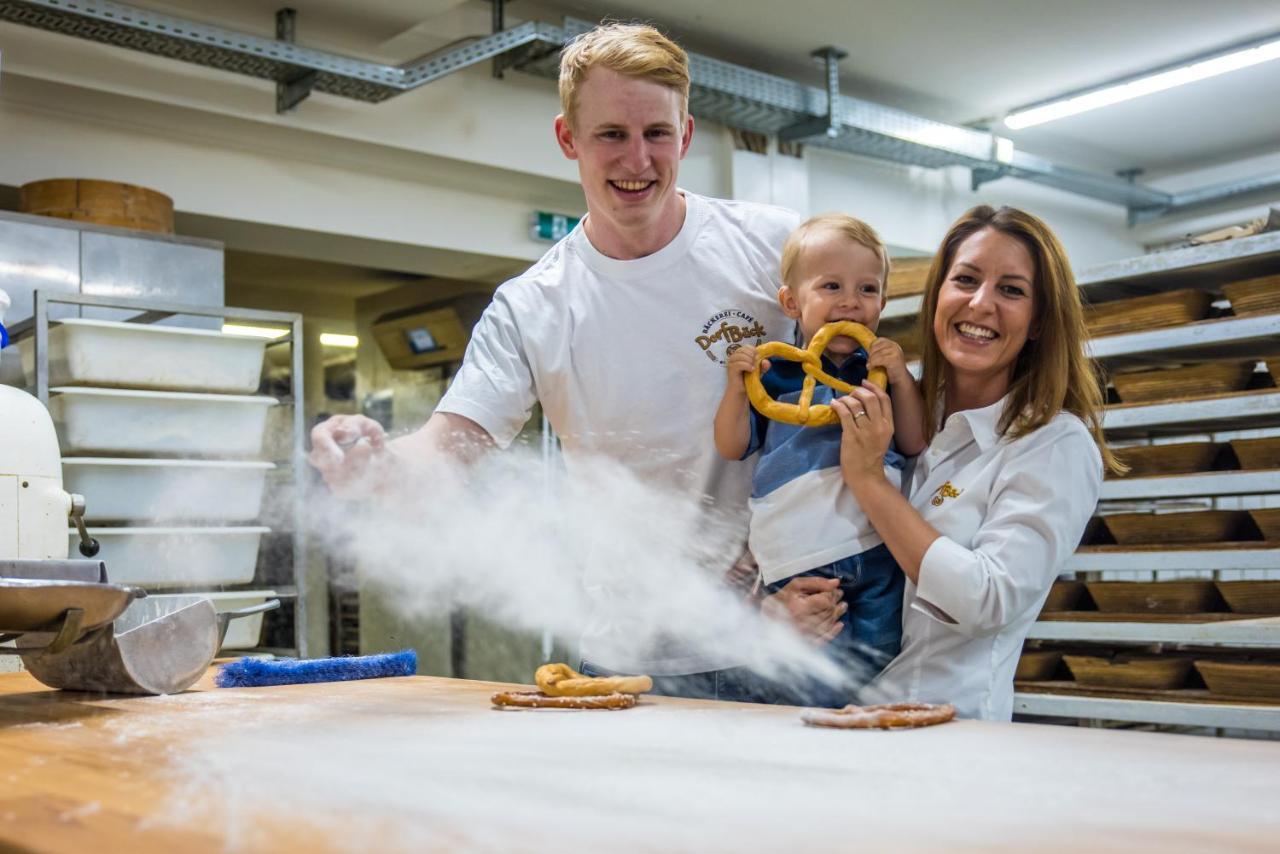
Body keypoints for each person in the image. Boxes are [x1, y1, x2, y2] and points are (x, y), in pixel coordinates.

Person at [308, 23, 839, 699]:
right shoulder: (534, 305)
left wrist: (815, 560)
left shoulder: (772, 245)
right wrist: (375, 464)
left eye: (656, 134)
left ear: (687, 136)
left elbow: (849, 396)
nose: (637, 160)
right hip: (630, 649)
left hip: (785, 632)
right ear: (569, 139)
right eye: (611, 134)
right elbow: (452, 445)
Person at [819, 204, 1121, 720]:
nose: (980, 305)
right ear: (937, 294)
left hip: (942, 738)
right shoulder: (891, 411)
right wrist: (783, 607)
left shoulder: (1055, 444)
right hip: (827, 719)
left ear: (1039, 322)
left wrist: (870, 482)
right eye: (966, 279)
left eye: (1012, 290)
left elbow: (988, 600)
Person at [712, 213, 925, 706]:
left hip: (876, 546)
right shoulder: (778, 372)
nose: (851, 301)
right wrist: (734, 388)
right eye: (832, 286)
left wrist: (901, 378)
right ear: (791, 302)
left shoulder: (880, 375)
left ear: (882, 303)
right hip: (797, 554)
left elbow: (913, 441)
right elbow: (730, 445)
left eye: (867, 289)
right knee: (806, 675)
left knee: (880, 663)